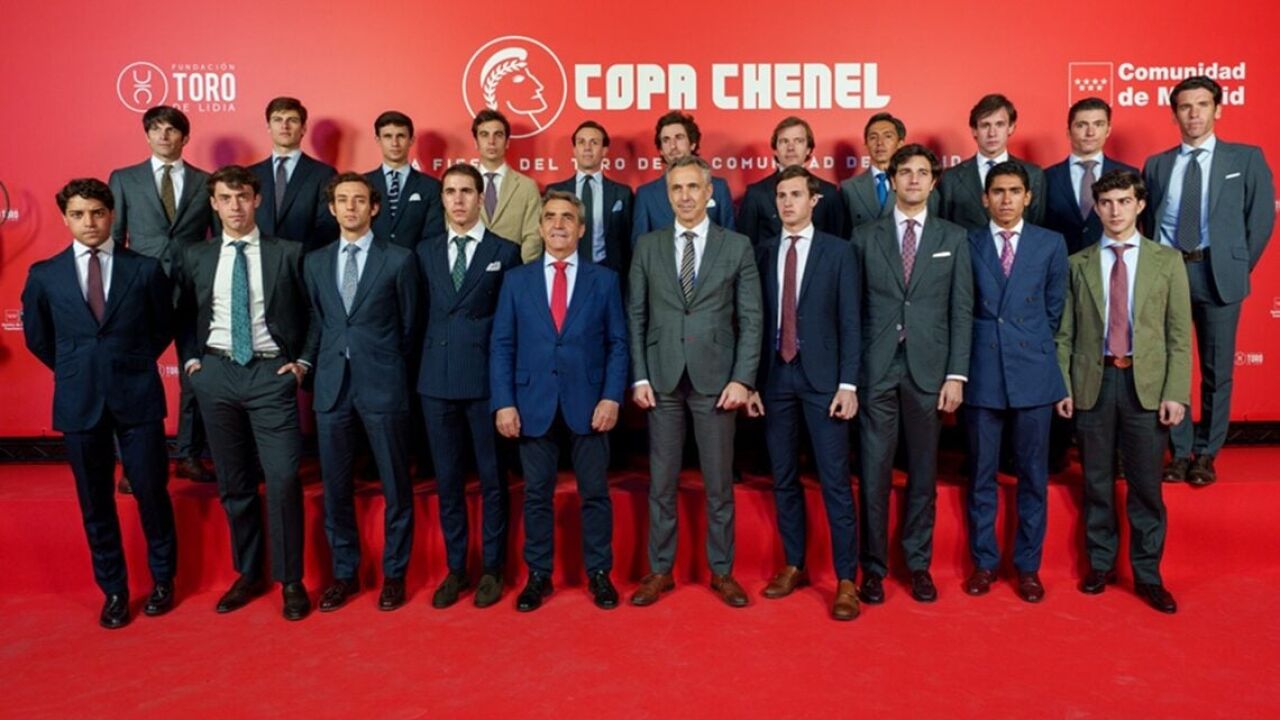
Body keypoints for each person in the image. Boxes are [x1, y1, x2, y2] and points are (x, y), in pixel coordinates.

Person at [22, 178, 177, 629]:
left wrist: (128, 362)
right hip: (78, 399)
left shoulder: (144, 269)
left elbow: (162, 327)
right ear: (65, 218)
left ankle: (163, 580)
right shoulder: (44, 275)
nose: (88, 222)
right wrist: (77, 368)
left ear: (111, 215)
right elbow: (38, 338)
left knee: (151, 492)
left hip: (137, 397)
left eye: (96, 212)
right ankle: (114, 590)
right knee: (94, 502)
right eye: (78, 214)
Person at [176, 165, 312, 621]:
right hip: (216, 374)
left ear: (257, 200)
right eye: (225, 198)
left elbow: (316, 313)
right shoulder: (196, 255)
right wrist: (192, 362)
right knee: (234, 483)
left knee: (283, 478)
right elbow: (183, 314)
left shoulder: (288, 253)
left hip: (271, 373)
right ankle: (248, 572)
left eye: (242, 197)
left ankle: (290, 579)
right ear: (213, 204)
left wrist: (302, 363)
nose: (234, 206)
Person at [1055, 169, 1192, 613]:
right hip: (1093, 383)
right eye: (1107, 203)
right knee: (1096, 481)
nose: (1115, 211)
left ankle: (1148, 574)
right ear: (1096, 208)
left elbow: (1178, 335)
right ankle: (1101, 565)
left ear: (1140, 205)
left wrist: (1176, 392)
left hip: (1145, 385)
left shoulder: (1166, 261)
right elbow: (1065, 334)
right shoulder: (1077, 263)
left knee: (1146, 485)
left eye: (1124, 201)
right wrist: (1064, 385)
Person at [628, 156, 762, 608]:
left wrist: (742, 379)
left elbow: (752, 317)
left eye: (692, 187)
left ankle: (722, 571)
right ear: (667, 196)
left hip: (717, 381)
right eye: (676, 188)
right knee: (662, 483)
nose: (684, 196)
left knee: (719, 485)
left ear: (709, 193)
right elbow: (636, 314)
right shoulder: (648, 245)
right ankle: (659, 571)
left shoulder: (736, 246)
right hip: (662, 378)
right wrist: (639, 376)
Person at [490, 191, 629, 612]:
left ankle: (600, 573)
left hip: (589, 403)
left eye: (567, 217)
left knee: (594, 493)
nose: (558, 224)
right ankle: (538, 575)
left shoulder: (604, 280)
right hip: (532, 403)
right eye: (550, 217)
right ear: (540, 227)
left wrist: (611, 397)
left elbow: (618, 344)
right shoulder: (517, 280)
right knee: (536, 495)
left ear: (581, 228)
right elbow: (502, 345)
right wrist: (504, 402)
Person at [851, 144, 972, 605]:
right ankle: (873, 568)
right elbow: (853, 310)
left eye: (923, 172)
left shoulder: (953, 237)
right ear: (893, 179)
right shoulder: (864, 237)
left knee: (923, 473)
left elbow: (961, 311)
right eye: (906, 172)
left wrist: (956, 374)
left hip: (929, 370)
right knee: (874, 473)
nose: (914, 179)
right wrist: (851, 377)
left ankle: (918, 565)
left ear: (934, 182)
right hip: (877, 368)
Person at [1142, 76, 1276, 487]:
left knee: (1218, 371)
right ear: (1174, 114)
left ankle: (1205, 454)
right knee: (1173, 366)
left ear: (1217, 109)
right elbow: (1147, 223)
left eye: (1202, 104)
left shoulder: (1246, 158)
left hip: (1218, 275)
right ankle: (1180, 452)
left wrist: (1235, 266)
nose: (1194, 113)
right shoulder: (1157, 164)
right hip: (1170, 273)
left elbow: (1260, 221)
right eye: (1185, 106)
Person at [745, 165, 861, 621]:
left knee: (834, 481)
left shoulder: (839, 252)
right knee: (784, 477)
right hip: (776, 379)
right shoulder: (761, 252)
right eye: (781, 196)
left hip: (824, 381)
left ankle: (846, 579)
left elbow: (851, 321)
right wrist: (752, 381)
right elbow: (753, 321)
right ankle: (794, 564)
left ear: (814, 200)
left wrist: (848, 384)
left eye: (796, 194)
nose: (787, 202)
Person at [301, 173, 420, 613]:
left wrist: (386, 365)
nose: (350, 207)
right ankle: (344, 574)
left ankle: (395, 575)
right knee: (335, 489)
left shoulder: (399, 260)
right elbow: (319, 321)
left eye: (359, 200)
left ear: (374, 208)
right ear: (332, 208)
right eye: (342, 200)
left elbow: (410, 327)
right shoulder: (314, 262)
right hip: (332, 388)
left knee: (396, 486)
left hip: (383, 384)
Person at [962, 162, 1068, 603]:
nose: (1006, 199)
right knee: (981, 474)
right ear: (984, 199)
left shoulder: (1050, 243)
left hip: (1033, 372)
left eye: (1014, 191)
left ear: (1028, 197)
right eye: (998, 192)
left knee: (1032, 475)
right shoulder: (966, 242)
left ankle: (1028, 567)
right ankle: (984, 562)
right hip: (982, 370)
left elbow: (1054, 309)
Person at [418, 163, 522, 609]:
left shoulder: (506, 251)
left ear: (481, 198)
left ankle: (493, 569)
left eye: (466, 191)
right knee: (448, 481)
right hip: (435, 382)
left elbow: (513, 326)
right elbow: (414, 318)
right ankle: (456, 568)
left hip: (485, 382)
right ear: (442, 199)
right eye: (450, 192)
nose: (458, 200)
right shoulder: (424, 251)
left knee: (493, 480)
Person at [107, 105, 216, 487]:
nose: (164, 135)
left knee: (196, 377)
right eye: (156, 129)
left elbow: (217, 242)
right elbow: (114, 239)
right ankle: (134, 464)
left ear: (185, 137)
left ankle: (189, 455)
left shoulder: (206, 182)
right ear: (147, 135)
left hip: (193, 292)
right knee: (132, 378)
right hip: (140, 292)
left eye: (172, 129)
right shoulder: (124, 179)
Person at [1043, 98, 1139, 255]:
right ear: (1068, 131)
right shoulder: (1047, 177)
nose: (1090, 133)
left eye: (1098, 124)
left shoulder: (1130, 175)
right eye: (1081, 125)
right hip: (1060, 261)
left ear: (1108, 130)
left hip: (1114, 261)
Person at [939, 94, 1045, 231]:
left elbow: (1037, 229)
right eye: (985, 125)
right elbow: (945, 231)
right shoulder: (951, 178)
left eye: (999, 124)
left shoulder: (1033, 174)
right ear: (974, 130)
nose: (992, 133)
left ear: (1011, 127)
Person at [736, 116, 847, 245]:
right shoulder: (755, 194)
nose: (790, 148)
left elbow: (838, 244)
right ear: (775, 150)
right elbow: (745, 247)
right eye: (784, 141)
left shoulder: (829, 193)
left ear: (808, 149)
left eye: (798, 141)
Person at [545, 120, 634, 278]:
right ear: (574, 150)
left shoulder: (622, 193)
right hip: (564, 272)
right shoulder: (555, 192)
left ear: (604, 150)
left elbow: (628, 242)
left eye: (594, 142)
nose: (587, 148)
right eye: (581, 142)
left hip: (608, 273)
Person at [631, 111, 735, 244]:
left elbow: (731, 240)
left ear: (692, 144)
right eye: (666, 140)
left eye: (679, 138)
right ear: (661, 150)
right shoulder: (646, 194)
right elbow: (640, 246)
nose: (673, 146)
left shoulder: (718, 187)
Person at [250, 96, 338, 253]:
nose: (284, 126)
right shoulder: (250, 175)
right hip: (258, 260)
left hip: (305, 260)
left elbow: (328, 226)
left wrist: (295, 256)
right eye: (277, 120)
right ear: (268, 127)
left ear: (303, 128)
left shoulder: (324, 174)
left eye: (292, 120)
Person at [471, 109, 543, 262]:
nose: (491, 141)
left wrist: (519, 271)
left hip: (513, 270)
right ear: (475, 142)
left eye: (498, 135)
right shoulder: (462, 185)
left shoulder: (527, 187)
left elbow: (533, 237)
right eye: (484, 135)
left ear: (507, 142)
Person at [365, 110, 443, 249]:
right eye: (388, 136)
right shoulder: (363, 184)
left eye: (401, 136)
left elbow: (433, 236)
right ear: (378, 140)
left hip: (414, 261)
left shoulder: (431, 187)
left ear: (411, 140)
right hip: (371, 260)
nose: (395, 143)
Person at [841, 112, 923, 232]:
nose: (879, 143)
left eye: (888, 136)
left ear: (900, 144)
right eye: (873, 137)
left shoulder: (917, 185)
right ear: (866, 144)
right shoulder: (849, 188)